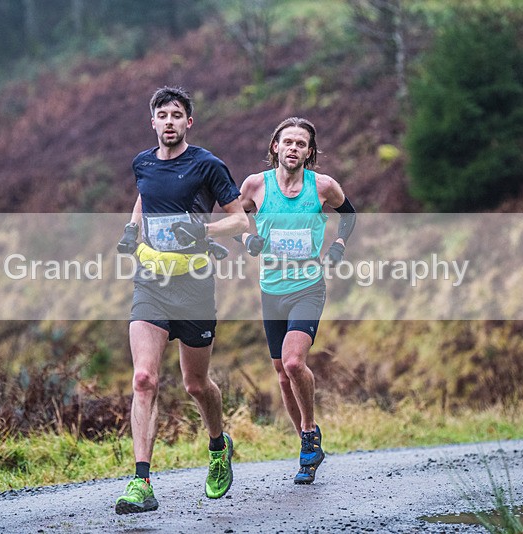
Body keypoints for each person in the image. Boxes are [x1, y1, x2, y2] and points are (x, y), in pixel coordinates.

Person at [114, 86, 249, 514]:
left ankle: (216, 446)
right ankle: (141, 482)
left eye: (177, 115)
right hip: (151, 282)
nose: (169, 121)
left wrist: (203, 234)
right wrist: (132, 230)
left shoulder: (207, 165)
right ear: (151, 121)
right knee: (143, 379)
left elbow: (239, 218)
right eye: (162, 114)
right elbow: (145, 194)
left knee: (195, 384)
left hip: (194, 285)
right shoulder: (142, 163)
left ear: (188, 122)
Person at [237, 117, 356, 484]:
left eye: (300, 144)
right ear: (275, 146)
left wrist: (337, 244)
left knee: (292, 362)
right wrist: (247, 240)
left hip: (307, 287)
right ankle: (308, 446)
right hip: (271, 290)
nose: (293, 148)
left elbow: (348, 215)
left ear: (309, 151)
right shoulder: (256, 185)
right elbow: (235, 215)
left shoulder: (322, 187)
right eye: (287, 142)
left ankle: (308, 434)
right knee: (282, 376)